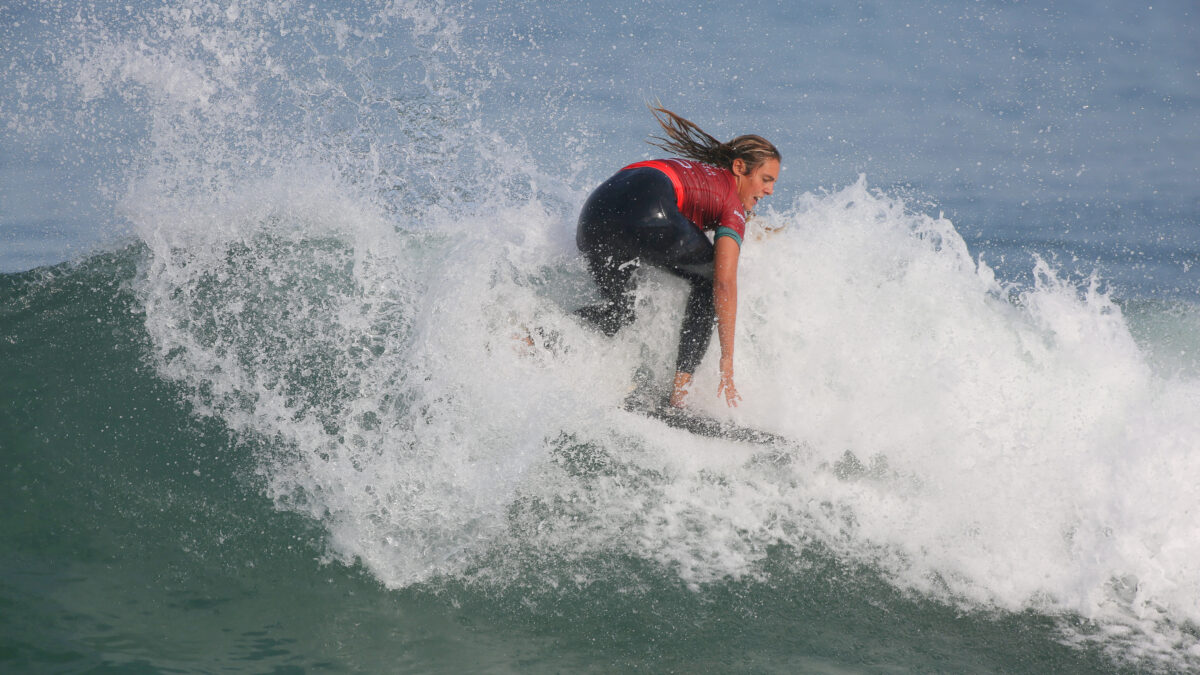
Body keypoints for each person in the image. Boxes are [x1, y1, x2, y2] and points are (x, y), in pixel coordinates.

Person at [575, 106, 781, 408]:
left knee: (620, 313)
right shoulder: (731, 202)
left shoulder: (695, 173)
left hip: (594, 215)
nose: (770, 190)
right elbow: (724, 283)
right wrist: (727, 359)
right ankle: (679, 396)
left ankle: (532, 337)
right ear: (739, 168)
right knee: (708, 279)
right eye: (766, 179)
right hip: (647, 209)